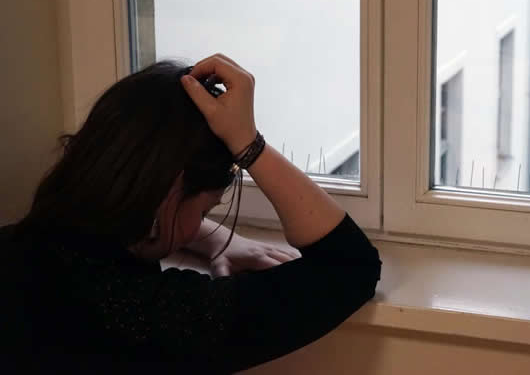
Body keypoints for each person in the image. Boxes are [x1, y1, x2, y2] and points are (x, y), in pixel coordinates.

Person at [0, 54, 381, 373]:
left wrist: (211, 235)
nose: (200, 224)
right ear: (168, 192)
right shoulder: (145, 317)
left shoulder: (24, 247)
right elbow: (350, 268)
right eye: (202, 212)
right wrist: (249, 145)